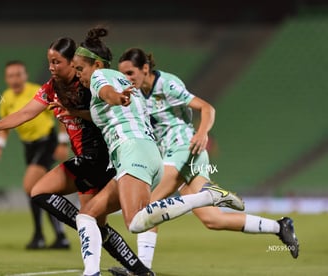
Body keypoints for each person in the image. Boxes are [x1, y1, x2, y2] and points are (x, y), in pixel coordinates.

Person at [0, 38, 156, 276]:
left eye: (56, 62)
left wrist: (80, 110)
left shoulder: (88, 84)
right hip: (85, 159)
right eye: (49, 61)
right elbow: (27, 112)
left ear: (73, 62)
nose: (51, 67)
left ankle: (95, 261)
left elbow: (107, 106)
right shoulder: (52, 87)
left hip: (99, 158)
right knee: (96, 225)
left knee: (40, 191)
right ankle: (140, 270)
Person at [72, 27, 245, 276]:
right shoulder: (127, 83)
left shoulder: (101, 78)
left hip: (132, 152)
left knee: (135, 223)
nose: (79, 75)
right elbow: (113, 108)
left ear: (96, 64)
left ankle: (206, 196)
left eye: (80, 69)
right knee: (87, 215)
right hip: (145, 153)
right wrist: (79, 112)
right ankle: (91, 273)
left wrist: (115, 98)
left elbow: (107, 95)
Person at [115, 47, 299, 271]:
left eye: (130, 73)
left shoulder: (167, 84)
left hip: (185, 150)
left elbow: (207, 108)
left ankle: (141, 268)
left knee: (148, 206)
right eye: (123, 74)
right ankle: (280, 227)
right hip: (179, 157)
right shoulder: (135, 95)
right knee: (213, 220)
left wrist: (202, 133)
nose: (126, 79)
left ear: (145, 69)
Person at [0, 60, 70, 250]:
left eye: (18, 74)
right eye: (11, 75)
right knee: (40, 190)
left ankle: (40, 235)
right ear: (6, 78)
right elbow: (6, 125)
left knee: (30, 186)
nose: (15, 79)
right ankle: (58, 236)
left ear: (25, 76)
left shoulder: (38, 91)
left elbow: (60, 113)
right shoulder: (6, 97)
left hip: (46, 142)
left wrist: (61, 142)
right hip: (29, 147)